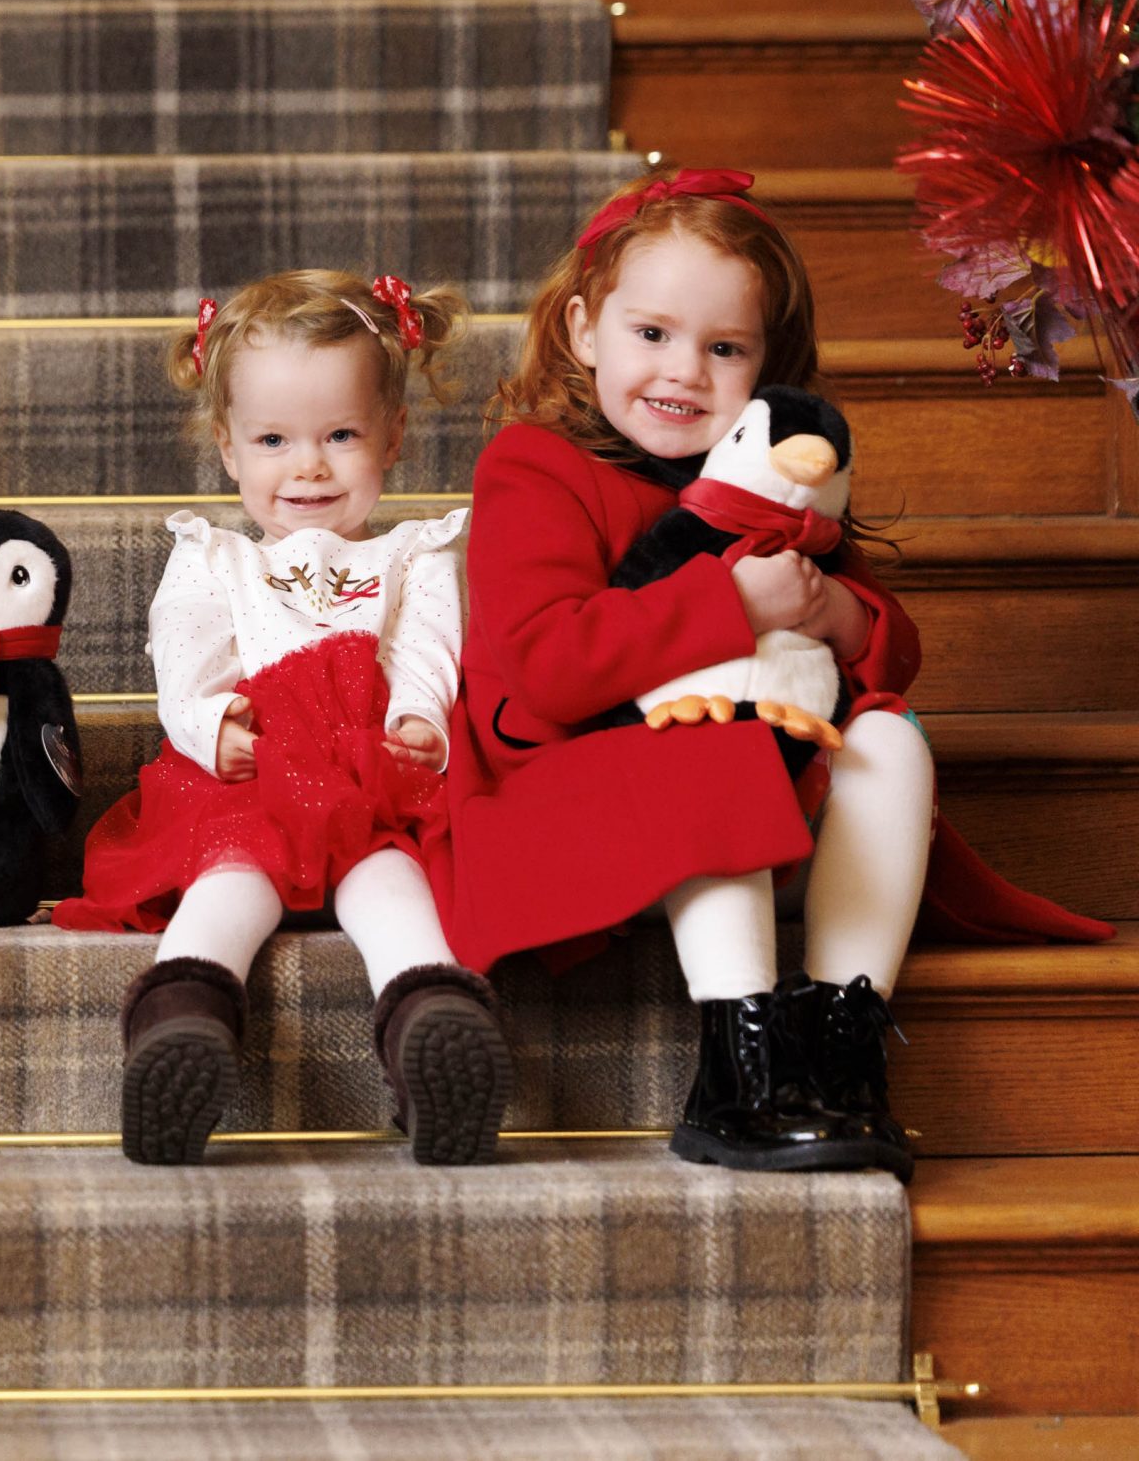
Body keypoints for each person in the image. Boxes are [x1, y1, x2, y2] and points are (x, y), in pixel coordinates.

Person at [445, 168, 1109, 1184]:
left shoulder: (768, 471)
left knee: (887, 736)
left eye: (724, 348)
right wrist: (733, 603)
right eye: (651, 333)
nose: (683, 372)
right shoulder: (534, 466)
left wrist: (839, 613)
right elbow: (547, 667)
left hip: (766, 813)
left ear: (765, 368)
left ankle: (843, 1042)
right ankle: (739, 1070)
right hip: (575, 804)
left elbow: (886, 653)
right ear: (583, 330)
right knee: (716, 750)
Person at [54, 272, 510, 1169]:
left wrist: (421, 717)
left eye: (341, 435)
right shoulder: (214, 556)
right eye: (273, 439)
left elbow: (428, 647)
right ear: (228, 447)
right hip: (253, 769)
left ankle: (434, 1025)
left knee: (391, 880)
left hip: (373, 767)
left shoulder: (414, 553)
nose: (308, 466)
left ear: (393, 435)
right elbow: (184, 650)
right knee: (231, 876)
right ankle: (183, 1020)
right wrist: (210, 722)